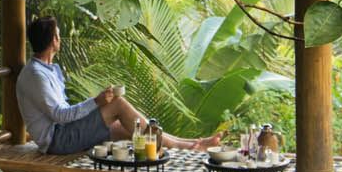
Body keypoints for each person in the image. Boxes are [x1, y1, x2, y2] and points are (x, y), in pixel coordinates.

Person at [15, 14, 222, 157]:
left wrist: (96, 104)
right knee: (118, 105)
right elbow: (60, 115)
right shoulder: (36, 76)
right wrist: (97, 102)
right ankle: (186, 146)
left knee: (122, 128)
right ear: (54, 41)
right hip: (56, 142)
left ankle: (189, 144)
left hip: (63, 132)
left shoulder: (47, 69)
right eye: (58, 35)